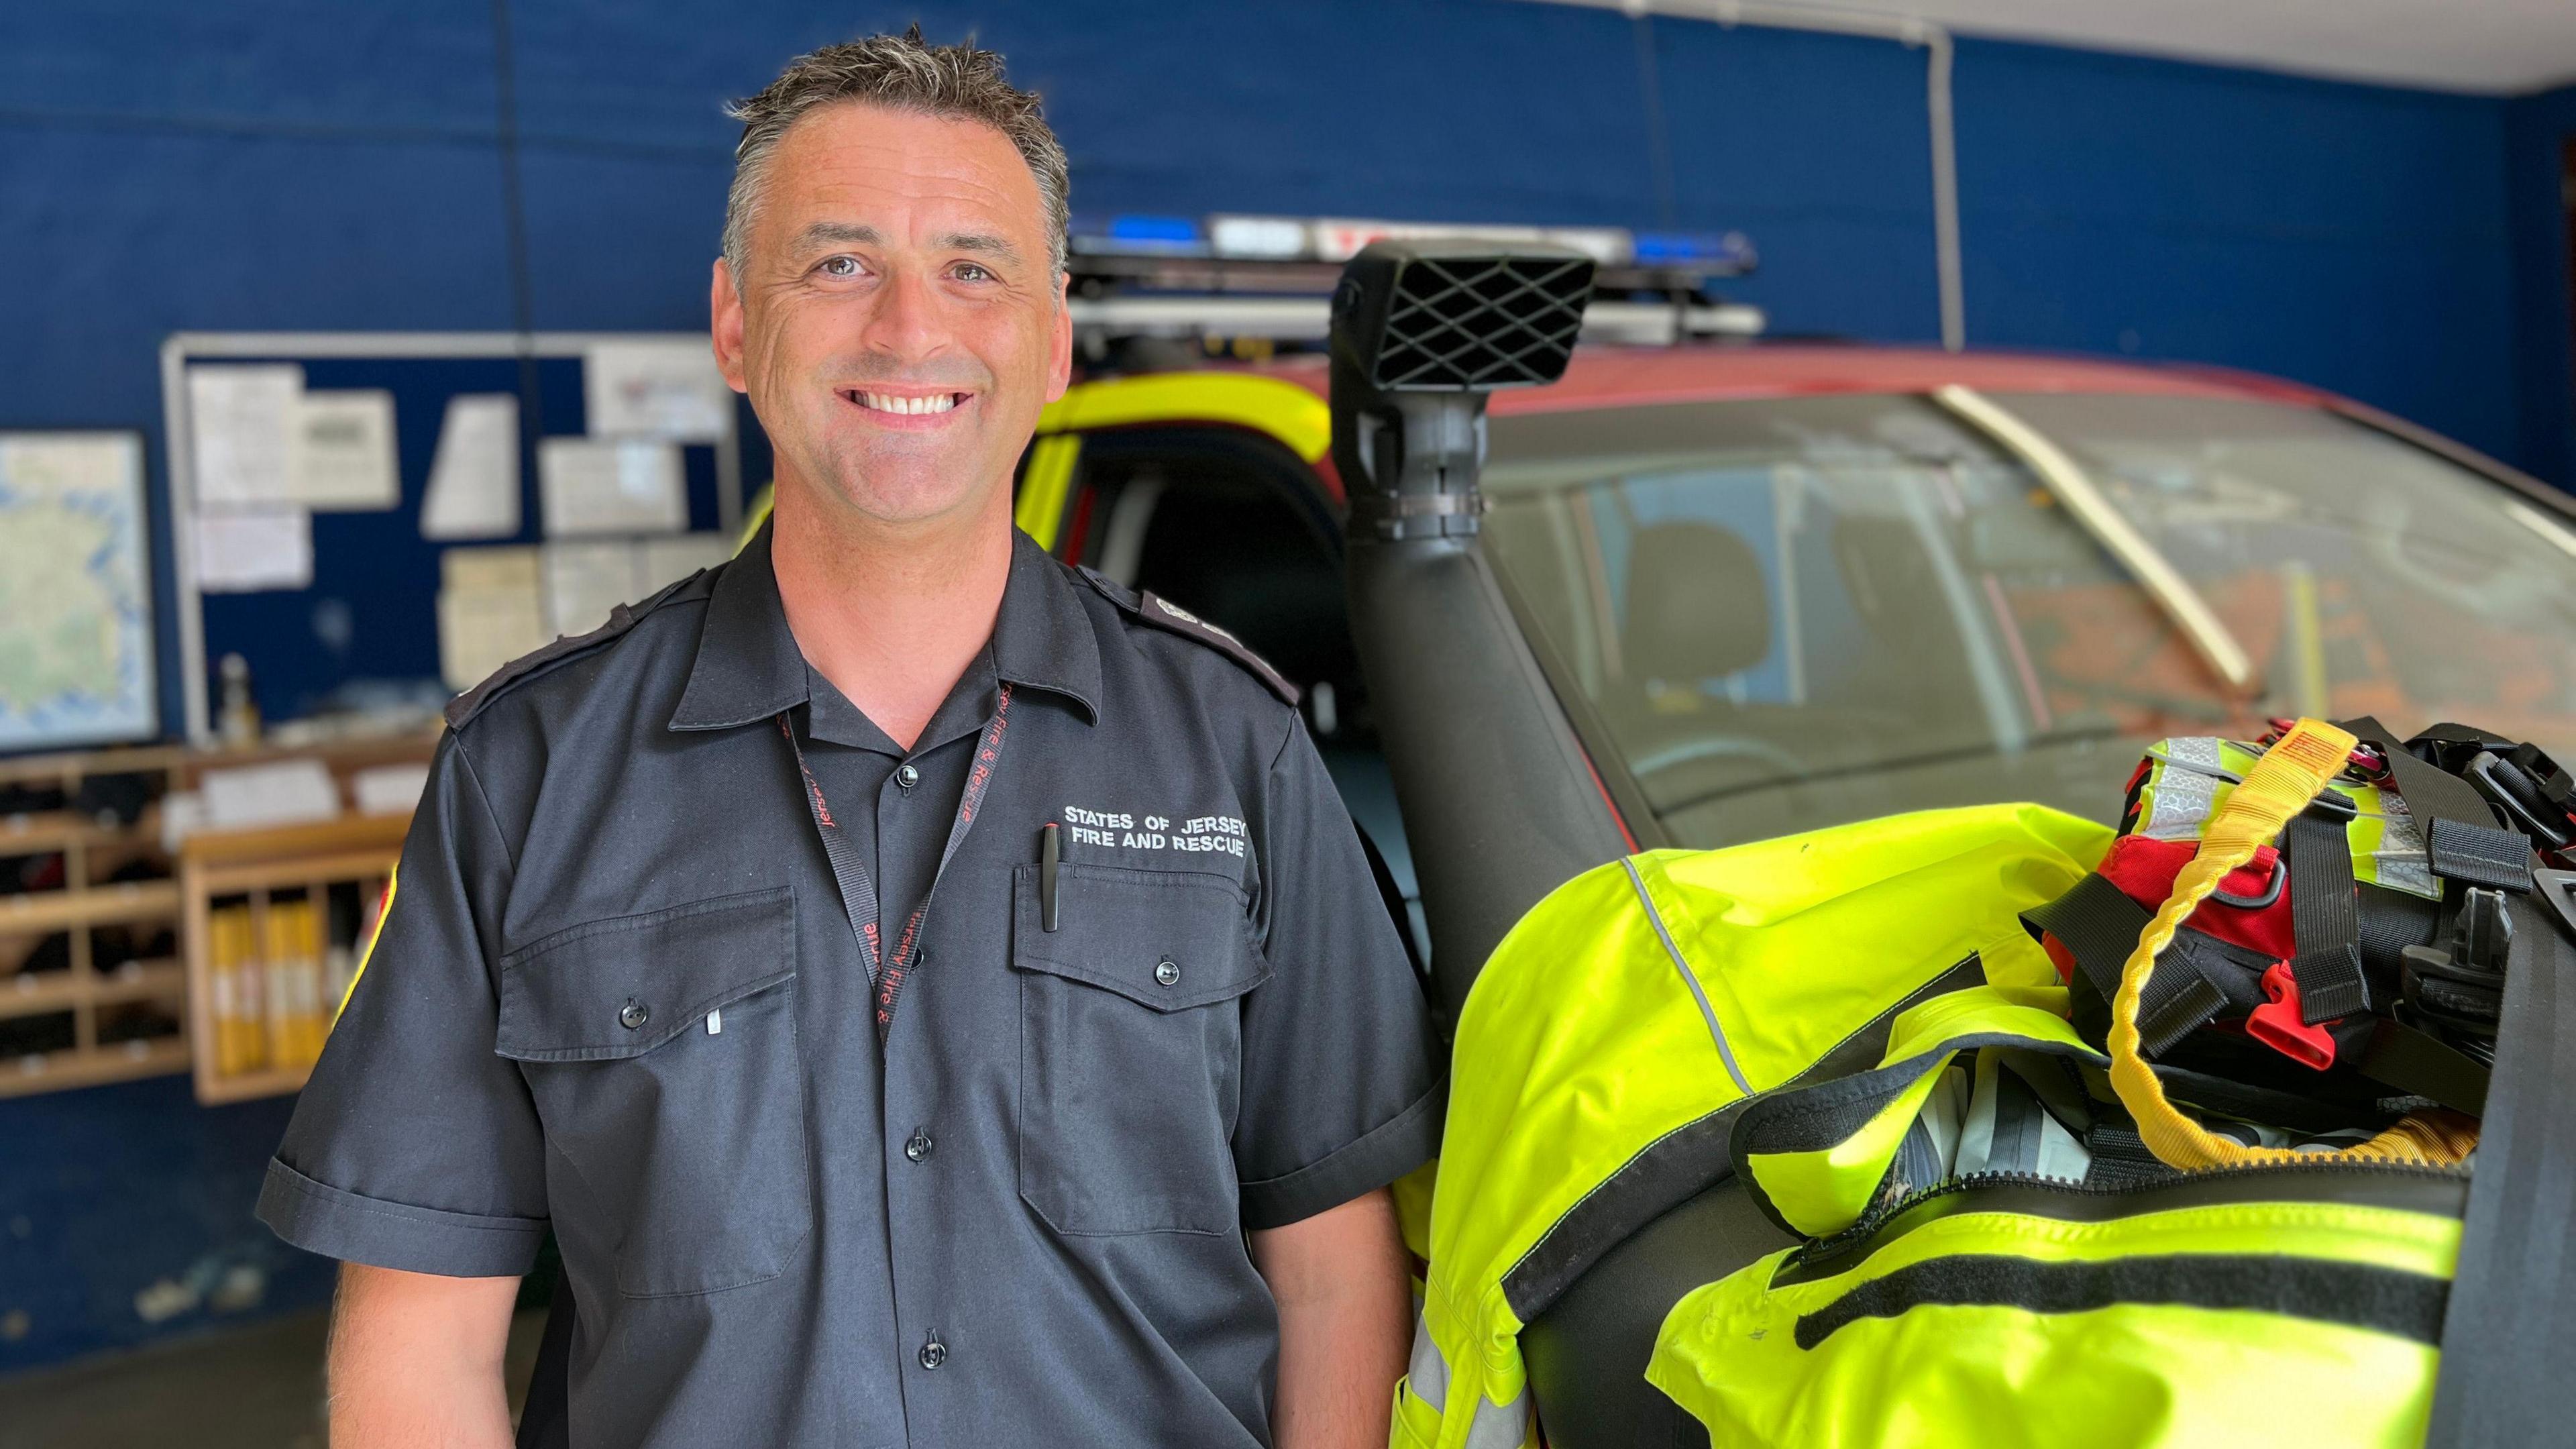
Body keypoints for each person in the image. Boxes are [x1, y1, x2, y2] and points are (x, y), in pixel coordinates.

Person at [257, 30, 1442, 1448]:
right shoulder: (526, 776)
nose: (906, 330)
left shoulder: (1236, 752)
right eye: (837, 264)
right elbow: (423, 1341)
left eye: (973, 267)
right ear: (733, 325)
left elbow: (1328, 1274)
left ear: (1052, 338)